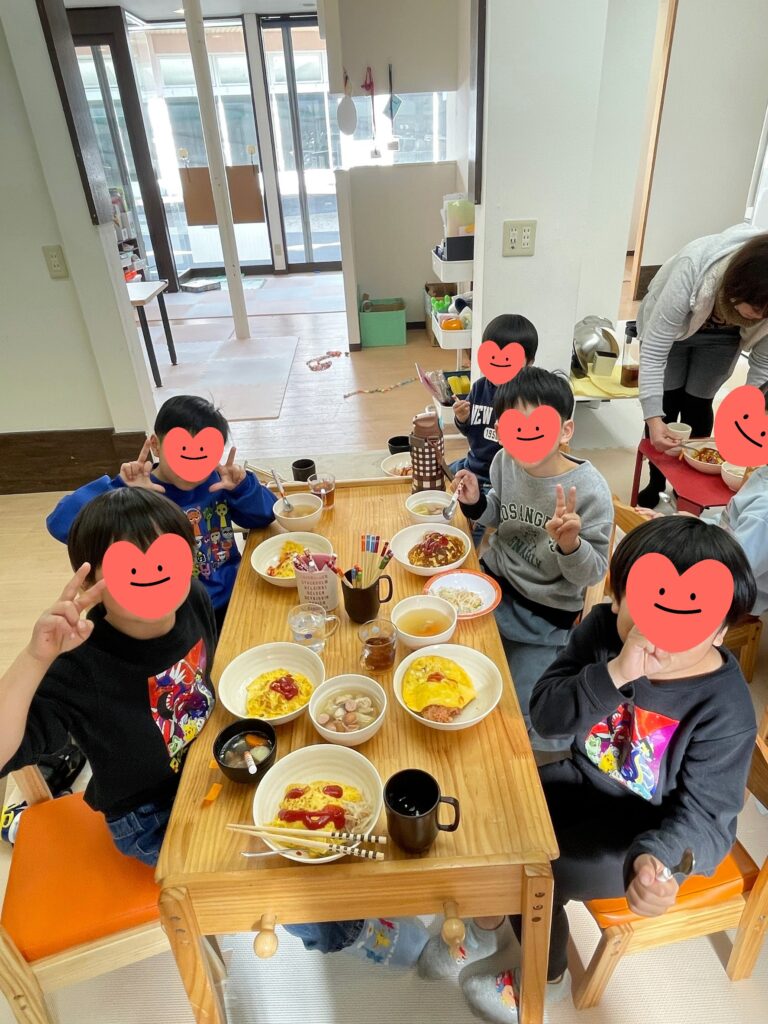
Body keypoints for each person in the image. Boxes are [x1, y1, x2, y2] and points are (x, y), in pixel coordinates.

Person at [421, 517, 758, 1024]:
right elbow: (547, 715)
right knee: (491, 812)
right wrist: (615, 672)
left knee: (540, 873)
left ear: (722, 629)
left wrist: (658, 863)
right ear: (618, 600)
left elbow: (708, 819)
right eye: (648, 605)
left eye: (690, 619)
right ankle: (484, 922)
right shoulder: (602, 631)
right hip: (583, 779)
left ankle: (546, 980)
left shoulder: (726, 708)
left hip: (647, 831)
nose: (662, 636)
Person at [0, 488, 217, 865]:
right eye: (131, 569)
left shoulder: (193, 599)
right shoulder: (80, 666)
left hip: (204, 765)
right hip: (148, 816)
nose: (155, 576)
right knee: (234, 866)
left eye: (167, 559)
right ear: (88, 582)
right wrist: (35, 658)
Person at [454, 367, 613, 749]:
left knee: (527, 713)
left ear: (565, 431)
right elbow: (500, 513)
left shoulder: (589, 491)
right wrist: (477, 503)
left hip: (544, 618)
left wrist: (571, 545)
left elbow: (593, 573)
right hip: (493, 588)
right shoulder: (504, 461)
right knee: (456, 675)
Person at [47, 395, 276, 632]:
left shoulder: (218, 483)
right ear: (156, 445)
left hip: (232, 595)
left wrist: (243, 487)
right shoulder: (139, 495)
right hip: (172, 610)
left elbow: (267, 515)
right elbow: (61, 523)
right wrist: (118, 489)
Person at [636, 225, 768, 508]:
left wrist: (749, 422)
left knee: (698, 402)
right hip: (675, 331)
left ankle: (686, 486)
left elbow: (762, 365)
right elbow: (655, 347)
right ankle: (656, 481)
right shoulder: (693, 266)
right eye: (757, 309)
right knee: (667, 401)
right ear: (739, 285)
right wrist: (653, 419)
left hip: (723, 339)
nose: (760, 317)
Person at [451, 314, 538, 544]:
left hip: (498, 476)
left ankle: (471, 543)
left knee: (470, 524)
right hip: (472, 463)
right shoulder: (480, 387)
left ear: (529, 362)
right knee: (440, 479)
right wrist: (463, 419)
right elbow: (470, 431)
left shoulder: (525, 399)